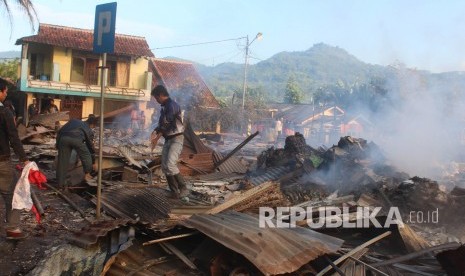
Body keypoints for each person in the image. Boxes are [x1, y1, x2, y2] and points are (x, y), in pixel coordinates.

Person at [0, 79, 30, 239]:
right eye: (4, 91)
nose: (5, 94)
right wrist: (24, 159)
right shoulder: (5, 112)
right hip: (2, 162)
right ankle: (13, 228)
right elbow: (13, 137)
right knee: (12, 195)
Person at [150, 85, 188, 199]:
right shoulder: (164, 107)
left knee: (170, 164)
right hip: (168, 139)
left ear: (161, 95)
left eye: (156, 98)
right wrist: (155, 131)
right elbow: (161, 124)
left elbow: (167, 123)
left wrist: (156, 138)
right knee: (165, 166)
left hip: (176, 138)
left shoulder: (171, 105)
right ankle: (174, 191)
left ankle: (183, 188)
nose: (156, 100)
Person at [56, 114, 98, 190]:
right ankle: (87, 174)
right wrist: (93, 162)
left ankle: (60, 184)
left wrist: (57, 144)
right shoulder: (88, 129)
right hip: (76, 139)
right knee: (86, 155)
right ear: (92, 124)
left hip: (63, 139)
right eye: (93, 127)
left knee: (62, 161)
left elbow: (60, 131)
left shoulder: (74, 120)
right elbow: (90, 147)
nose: (92, 128)